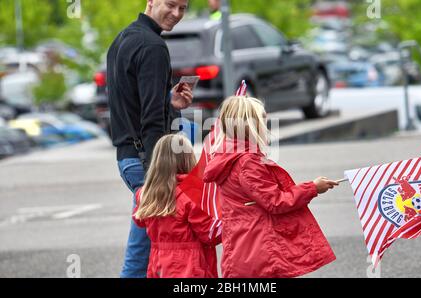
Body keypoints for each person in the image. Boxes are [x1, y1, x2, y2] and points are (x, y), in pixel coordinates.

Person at [203, 96, 338, 278]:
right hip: (259, 249)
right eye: (262, 120)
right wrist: (312, 187)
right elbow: (275, 202)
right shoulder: (246, 162)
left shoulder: (226, 156)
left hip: (240, 247)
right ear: (250, 126)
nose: (265, 126)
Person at [106, 0, 192, 278]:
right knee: (142, 259)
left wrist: (170, 102)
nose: (176, 14)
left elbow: (136, 102)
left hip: (128, 158)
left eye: (183, 8)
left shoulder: (122, 38)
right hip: (148, 162)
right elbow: (151, 119)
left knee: (150, 253)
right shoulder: (154, 47)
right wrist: (159, 172)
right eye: (171, 5)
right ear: (151, 1)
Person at [132, 134, 221, 278]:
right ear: (187, 160)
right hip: (190, 266)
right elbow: (210, 234)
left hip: (159, 265)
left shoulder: (145, 194)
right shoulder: (191, 194)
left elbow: (139, 221)